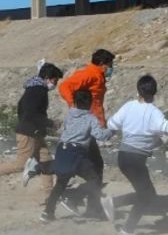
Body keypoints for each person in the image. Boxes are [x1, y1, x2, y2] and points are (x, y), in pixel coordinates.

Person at [102, 75, 168, 235]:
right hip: (135, 159)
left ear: (138, 89)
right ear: (155, 92)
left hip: (123, 156)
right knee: (146, 195)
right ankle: (126, 229)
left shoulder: (128, 106)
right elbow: (166, 127)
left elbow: (112, 123)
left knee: (146, 194)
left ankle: (114, 204)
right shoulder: (154, 111)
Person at [0, 62, 64, 195]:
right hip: (28, 132)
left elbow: (21, 109)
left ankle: (48, 193)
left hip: (33, 132)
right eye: (55, 80)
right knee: (21, 163)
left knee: (46, 160)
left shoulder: (32, 88)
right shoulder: (38, 91)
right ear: (47, 77)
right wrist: (50, 123)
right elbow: (32, 113)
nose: (56, 83)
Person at [40, 90, 114, 223]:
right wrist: (112, 130)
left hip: (62, 150)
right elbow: (100, 136)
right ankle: (72, 195)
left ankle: (47, 213)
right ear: (90, 103)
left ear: (74, 102)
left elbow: (63, 131)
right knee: (95, 179)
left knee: (61, 183)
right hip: (76, 154)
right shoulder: (90, 118)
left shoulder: (69, 115)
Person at [58, 48, 116, 189]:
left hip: (91, 124)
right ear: (102, 64)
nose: (112, 68)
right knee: (95, 162)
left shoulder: (98, 76)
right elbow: (65, 86)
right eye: (110, 65)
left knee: (82, 161)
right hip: (87, 126)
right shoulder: (89, 74)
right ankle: (94, 194)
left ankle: (63, 189)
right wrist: (73, 106)